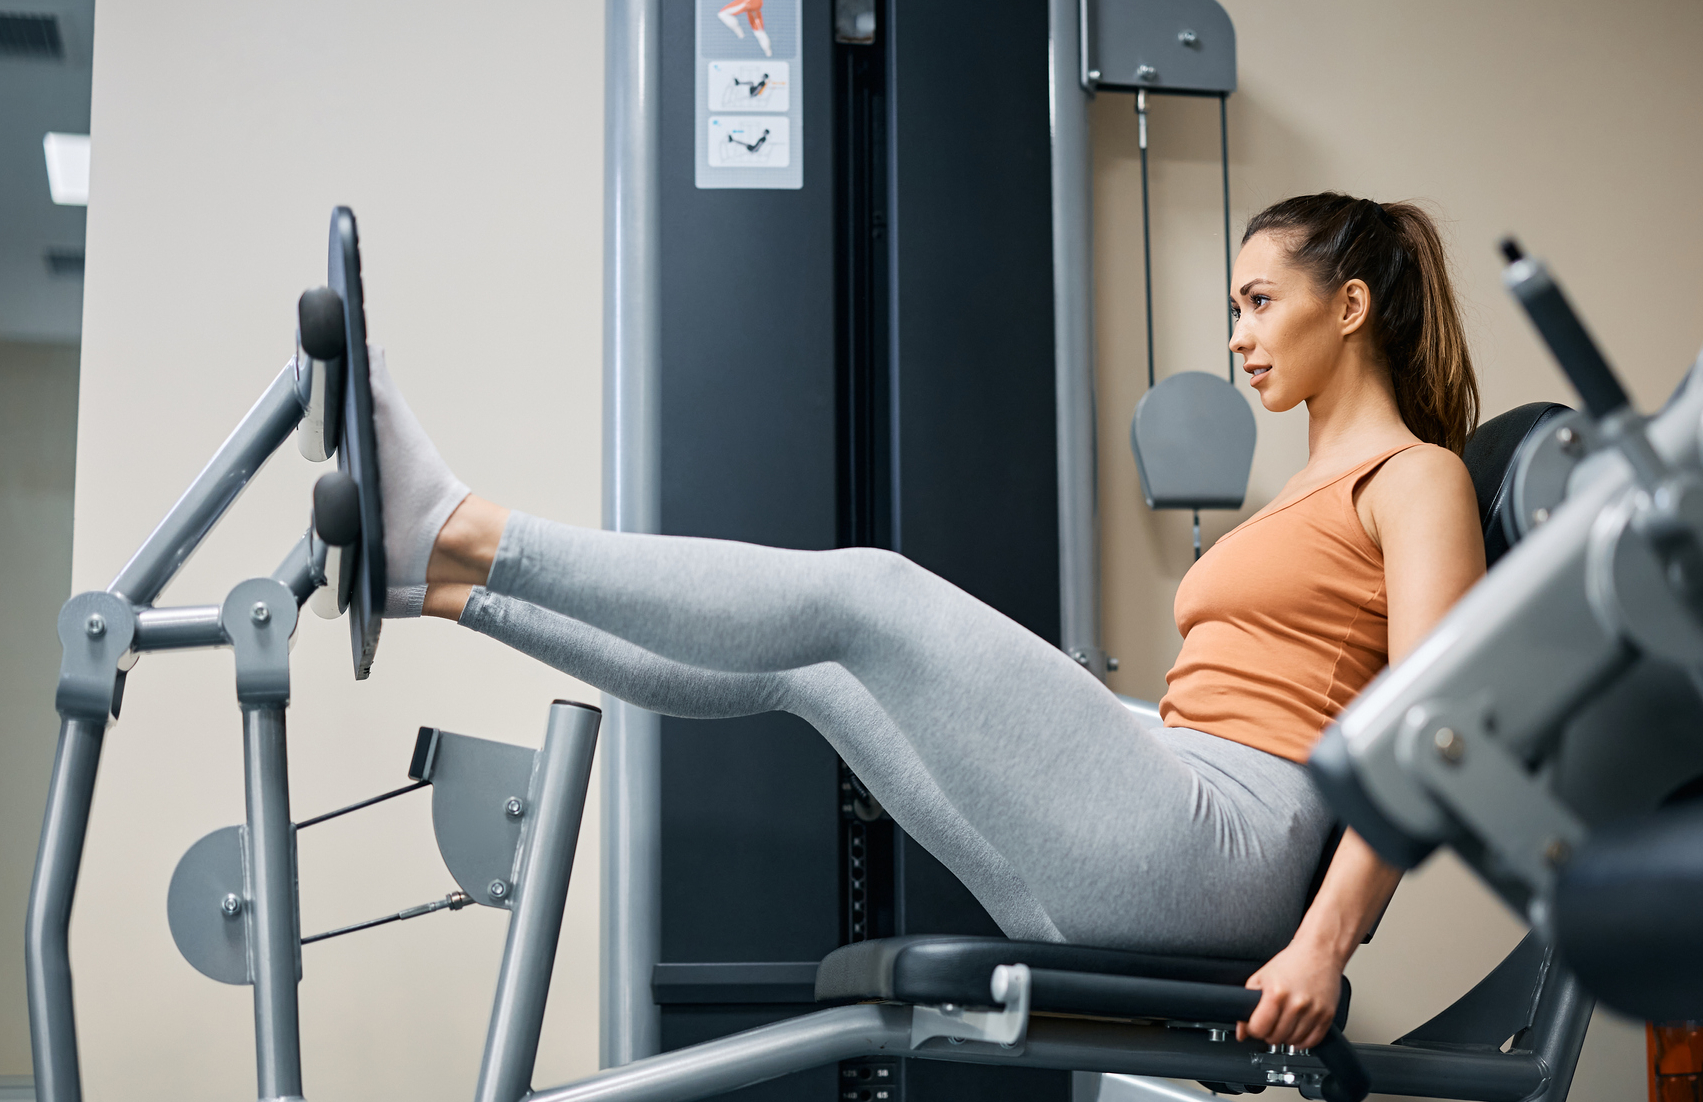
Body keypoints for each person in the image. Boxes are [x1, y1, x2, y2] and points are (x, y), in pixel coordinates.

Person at [370, 192, 1484, 1049]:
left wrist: (1323, 944)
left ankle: (464, 526)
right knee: (820, 674)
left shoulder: (1415, 475)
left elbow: (1430, 726)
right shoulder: (1290, 493)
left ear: (1348, 307)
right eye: (1231, 309)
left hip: (1230, 849)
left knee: (870, 590)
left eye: (1257, 302)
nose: (1237, 335)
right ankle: (436, 585)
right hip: (1172, 809)